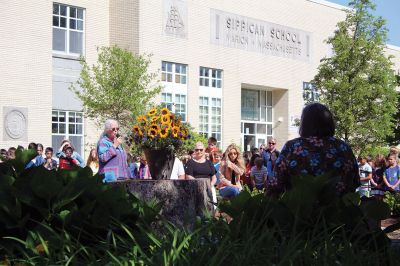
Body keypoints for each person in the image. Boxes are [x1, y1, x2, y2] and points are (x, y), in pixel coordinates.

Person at [270, 103, 360, 196]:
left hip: (299, 208)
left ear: (304, 123)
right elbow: (354, 182)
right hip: (337, 208)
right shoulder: (343, 148)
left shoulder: (292, 147)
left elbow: (276, 184)